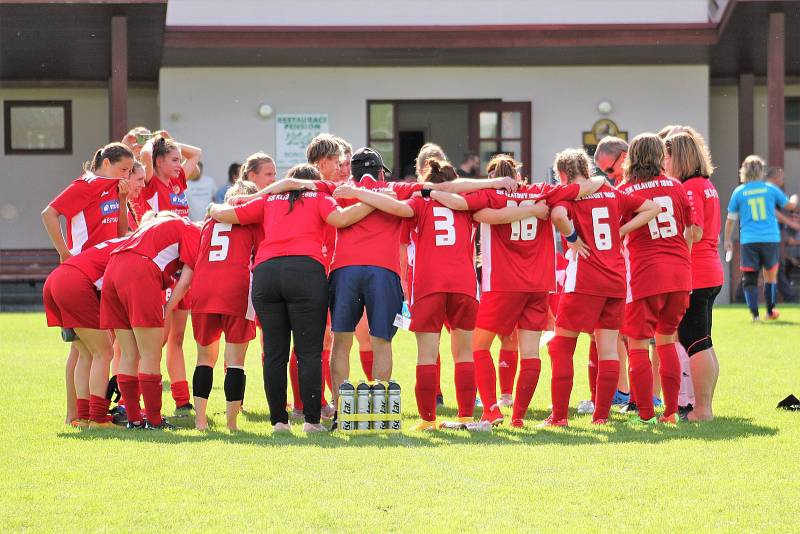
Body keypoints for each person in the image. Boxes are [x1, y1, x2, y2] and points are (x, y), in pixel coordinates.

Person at [333, 159, 523, 430]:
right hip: (464, 283)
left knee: (426, 354)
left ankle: (427, 419)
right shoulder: (467, 203)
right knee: (465, 353)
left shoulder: (419, 201)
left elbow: (395, 207)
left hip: (429, 283)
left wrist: (361, 193)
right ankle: (466, 416)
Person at [209, 164, 375, 432]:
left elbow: (230, 214)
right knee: (309, 352)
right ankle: (311, 421)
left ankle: (279, 422)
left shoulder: (268, 199)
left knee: (274, 353)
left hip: (267, 273)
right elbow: (341, 219)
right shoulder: (320, 196)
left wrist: (212, 208)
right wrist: (376, 204)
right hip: (306, 271)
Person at [448, 153, 604, 426]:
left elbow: (453, 192)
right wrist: (601, 177)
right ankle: (518, 417)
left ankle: (492, 410)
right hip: (538, 285)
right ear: (518, 175)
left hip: (503, 284)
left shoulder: (490, 196)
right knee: (530, 352)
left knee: (479, 346)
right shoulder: (542, 193)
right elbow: (586, 187)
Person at [547, 148, 659, 427]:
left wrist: (572, 238)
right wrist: (622, 231)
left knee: (562, 347)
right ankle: (601, 416)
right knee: (608, 349)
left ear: (562, 174)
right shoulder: (612, 193)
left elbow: (559, 214)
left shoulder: (571, 194)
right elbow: (651, 208)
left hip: (584, 279)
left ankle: (559, 416)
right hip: (615, 277)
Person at [41, 142, 133, 425]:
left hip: (101, 274)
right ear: (106, 164)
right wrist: (64, 252)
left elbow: (120, 234)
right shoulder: (87, 184)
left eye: (130, 171)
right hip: (80, 273)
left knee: (87, 350)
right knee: (85, 350)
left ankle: (80, 415)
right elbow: (49, 213)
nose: (126, 176)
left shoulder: (115, 189)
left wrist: (122, 202)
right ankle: (78, 415)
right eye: (123, 169)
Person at [617, 133, 696, 424]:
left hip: (645, 273)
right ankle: (672, 412)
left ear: (631, 157)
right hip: (679, 274)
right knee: (667, 341)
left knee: (637, 343)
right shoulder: (676, 186)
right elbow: (692, 230)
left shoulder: (625, 189)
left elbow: (614, 229)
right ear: (660, 155)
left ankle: (647, 413)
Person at [138, 133, 203, 414]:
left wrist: (169, 137)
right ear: (158, 161)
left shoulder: (177, 182)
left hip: (182, 264)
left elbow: (197, 152)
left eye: (180, 160)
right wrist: (154, 139)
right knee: (157, 341)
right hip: (158, 267)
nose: (180, 164)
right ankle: (140, 403)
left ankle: (182, 402)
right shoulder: (150, 184)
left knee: (177, 338)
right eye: (174, 159)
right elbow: (144, 156)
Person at [191, 180, 262, 431]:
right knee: (235, 361)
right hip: (236, 289)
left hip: (202, 289)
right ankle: (231, 425)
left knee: (204, 359)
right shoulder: (253, 222)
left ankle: (200, 421)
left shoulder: (209, 221)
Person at [43, 236, 129, 427]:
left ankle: (82, 417)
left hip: (57, 278)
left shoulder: (121, 241)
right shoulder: (134, 247)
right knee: (104, 352)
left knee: (86, 354)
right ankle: (98, 418)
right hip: (74, 282)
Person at [666, 132, 723, 421]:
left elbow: (694, 230)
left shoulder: (689, 187)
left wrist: (678, 259)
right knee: (703, 340)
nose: (665, 163)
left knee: (694, 340)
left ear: (679, 158)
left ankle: (702, 410)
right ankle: (705, 406)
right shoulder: (706, 184)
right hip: (710, 269)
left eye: (667, 157)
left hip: (697, 273)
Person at [724, 155, 798, 320]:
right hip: (770, 238)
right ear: (761, 171)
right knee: (770, 275)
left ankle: (755, 315)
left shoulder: (739, 192)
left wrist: (727, 239)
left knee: (750, 277)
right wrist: (795, 198)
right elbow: (790, 206)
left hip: (749, 240)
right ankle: (770, 312)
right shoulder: (770, 189)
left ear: (743, 171)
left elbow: (731, 219)